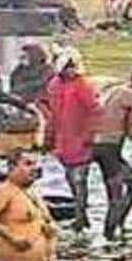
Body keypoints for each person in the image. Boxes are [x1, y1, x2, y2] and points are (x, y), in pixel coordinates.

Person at [89, 65, 132, 241]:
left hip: (95, 144)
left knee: (123, 188)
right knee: (126, 189)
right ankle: (109, 233)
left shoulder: (116, 89)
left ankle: (118, 225)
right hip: (109, 148)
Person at [0, 149, 59, 261]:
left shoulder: (33, 193)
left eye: (36, 164)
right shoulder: (5, 190)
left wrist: (51, 231)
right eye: (28, 164)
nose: (35, 168)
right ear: (12, 167)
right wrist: (12, 236)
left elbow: (47, 223)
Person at [41, 48, 100, 232]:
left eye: (73, 67)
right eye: (67, 67)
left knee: (79, 178)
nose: (71, 71)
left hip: (81, 138)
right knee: (69, 176)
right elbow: (52, 114)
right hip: (63, 139)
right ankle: (80, 212)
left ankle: (81, 216)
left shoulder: (83, 85)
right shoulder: (55, 86)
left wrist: (90, 135)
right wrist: (48, 137)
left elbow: (95, 111)